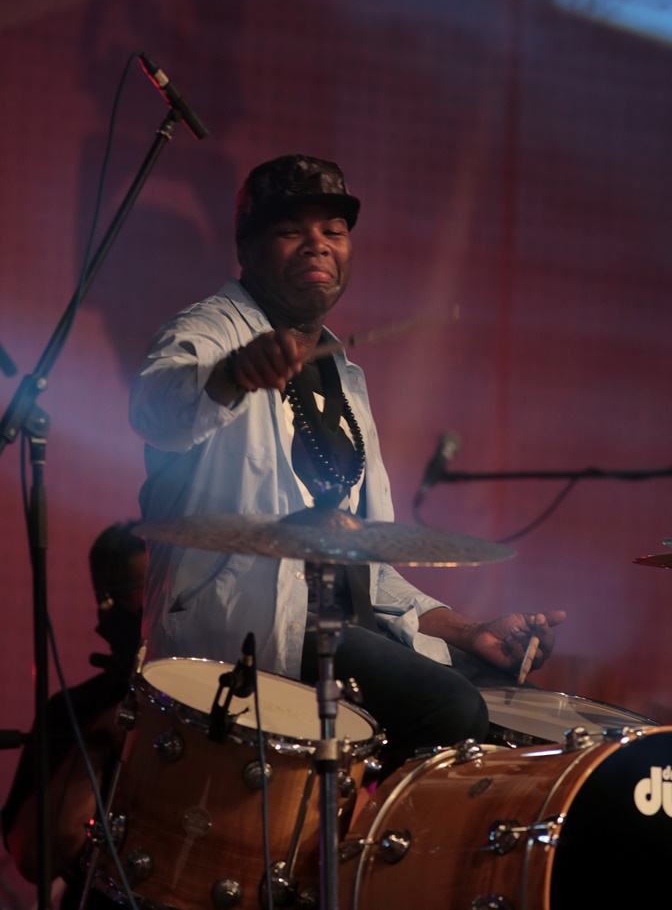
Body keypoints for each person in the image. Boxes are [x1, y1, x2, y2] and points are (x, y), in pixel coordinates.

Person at [128, 153, 565, 777]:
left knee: (515, 710)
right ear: (247, 249)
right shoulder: (209, 330)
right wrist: (231, 375)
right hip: (249, 640)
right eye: (291, 230)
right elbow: (154, 410)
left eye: (333, 230)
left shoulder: (342, 375)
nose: (318, 245)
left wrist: (470, 633)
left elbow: (372, 578)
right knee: (449, 710)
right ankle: (367, 839)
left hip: (340, 632)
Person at [1, 522, 147, 908]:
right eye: (150, 592)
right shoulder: (76, 709)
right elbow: (34, 857)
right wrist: (99, 740)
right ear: (110, 604)